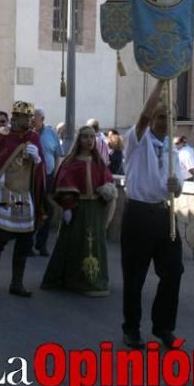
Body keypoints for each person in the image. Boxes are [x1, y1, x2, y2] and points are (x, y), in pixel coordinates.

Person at [120, 80, 184, 350]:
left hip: (164, 215)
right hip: (138, 214)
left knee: (173, 272)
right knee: (135, 277)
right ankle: (132, 329)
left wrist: (176, 187)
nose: (164, 120)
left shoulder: (173, 149)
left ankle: (163, 326)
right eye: (161, 115)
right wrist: (161, 82)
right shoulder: (136, 139)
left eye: (169, 116)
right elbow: (144, 116)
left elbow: (178, 187)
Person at [0, 101, 46, 297]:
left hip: (25, 196)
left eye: (30, 118)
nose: (29, 121)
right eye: (25, 117)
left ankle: (17, 283)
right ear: (15, 117)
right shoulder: (1, 137)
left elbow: (40, 170)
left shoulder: (33, 138)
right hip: (5, 193)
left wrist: (37, 159)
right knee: (1, 237)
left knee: (25, 239)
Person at [41, 125, 115, 296]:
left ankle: (95, 278)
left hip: (95, 209)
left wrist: (107, 189)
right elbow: (63, 185)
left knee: (95, 244)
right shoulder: (70, 163)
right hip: (78, 209)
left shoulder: (99, 162)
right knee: (75, 243)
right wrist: (67, 207)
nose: (89, 140)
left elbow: (107, 180)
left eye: (92, 137)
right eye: (85, 137)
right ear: (79, 140)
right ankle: (72, 277)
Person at [33, 107, 64, 256]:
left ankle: (41, 244)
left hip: (49, 177)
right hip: (31, 178)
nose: (32, 120)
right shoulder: (28, 134)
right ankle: (27, 244)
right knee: (31, 210)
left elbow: (58, 154)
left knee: (48, 211)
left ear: (42, 119)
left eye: (35, 118)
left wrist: (56, 173)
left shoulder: (51, 133)